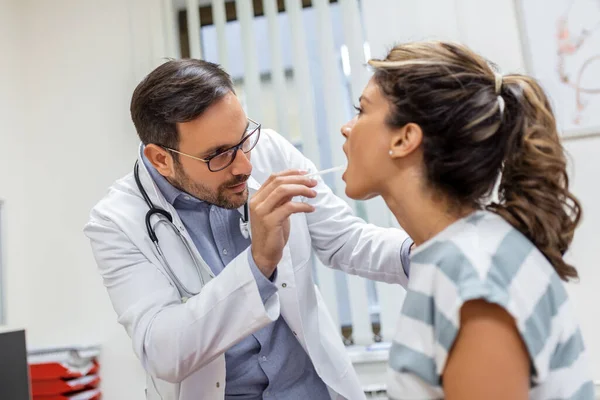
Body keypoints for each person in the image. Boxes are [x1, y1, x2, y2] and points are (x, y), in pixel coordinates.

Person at [83, 59, 413, 400]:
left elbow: (346, 240)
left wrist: (419, 252)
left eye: (243, 139)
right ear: (161, 159)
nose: (245, 164)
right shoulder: (115, 223)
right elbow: (163, 352)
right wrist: (258, 264)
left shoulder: (270, 151)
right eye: (219, 155)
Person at [339, 41, 593, 399]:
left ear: (405, 138)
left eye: (361, 111)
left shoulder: (472, 276)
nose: (346, 128)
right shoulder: (454, 252)